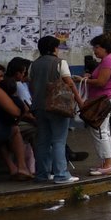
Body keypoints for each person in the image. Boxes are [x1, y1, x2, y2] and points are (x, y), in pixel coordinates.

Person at [28, 34, 82, 183]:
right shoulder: (60, 63)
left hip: (39, 107)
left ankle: (42, 174)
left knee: (42, 141)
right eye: (57, 47)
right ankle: (61, 175)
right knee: (58, 140)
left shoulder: (33, 65)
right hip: (57, 108)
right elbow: (69, 83)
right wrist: (80, 101)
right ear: (54, 48)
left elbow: (31, 85)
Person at [82, 34, 111, 176]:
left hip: (102, 100)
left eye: (97, 47)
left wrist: (84, 80)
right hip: (104, 99)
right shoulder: (109, 59)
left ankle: (107, 164)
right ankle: (105, 162)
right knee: (104, 130)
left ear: (104, 47)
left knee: (100, 131)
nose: (95, 51)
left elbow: (101, 82)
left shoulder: (109, 60)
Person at [0, 61, 35, 181]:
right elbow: (15, 111)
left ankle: (12, 167)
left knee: (0, 139)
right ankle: (22, 167)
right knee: (14, 130)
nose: (2, 79)